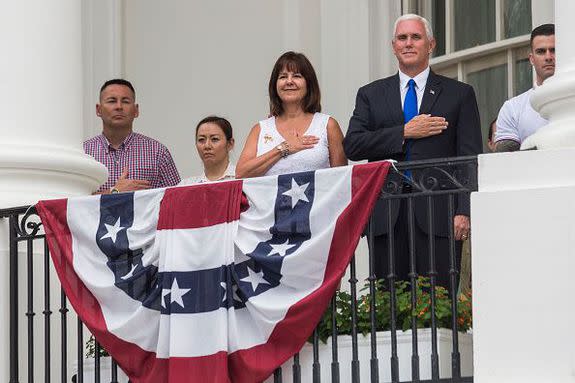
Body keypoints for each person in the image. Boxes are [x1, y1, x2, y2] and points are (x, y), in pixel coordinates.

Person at [343, 14, 482, 288]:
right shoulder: (371, 94)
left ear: (431, 44)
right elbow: (353, 144)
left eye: (415, 37)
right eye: (402, 38)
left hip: (439, 212)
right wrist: (404, 132)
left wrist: (464, 210)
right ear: (393, 45)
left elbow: (469, 157)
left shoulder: (459, 94)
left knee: (439, 301)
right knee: (388, 302)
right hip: (386, 212)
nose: (408, 43)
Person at [236, 51, 347, 178]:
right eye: (283, 77)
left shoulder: (328, 125)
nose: (289, 81)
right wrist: (283, 148)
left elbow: (341, 180)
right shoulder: (260, 129)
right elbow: (241, 173)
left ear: (309, 84)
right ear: (275, 85)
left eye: (297, 76)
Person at [84, 79, 180, 193]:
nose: (119, 106)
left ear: (136, 110)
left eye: (125, 101)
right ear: (98, 110)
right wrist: (115, 192)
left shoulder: (158, 152)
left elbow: (177, 200)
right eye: (112, 101)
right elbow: (73, 201)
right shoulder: (84, 153)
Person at [495, 24, 555, 152]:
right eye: (541, 51)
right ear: (531, 59)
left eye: (554, 50)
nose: (548, 57)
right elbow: (506, 162)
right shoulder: (512, 108)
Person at [179, 116, 235, 185]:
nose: (207, 146)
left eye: (214, 139)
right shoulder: (185, 186)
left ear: (230, 144)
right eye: (201, 139)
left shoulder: (243, 181)